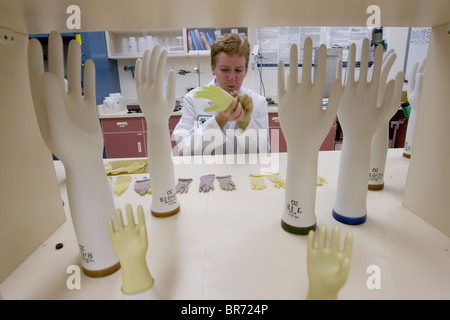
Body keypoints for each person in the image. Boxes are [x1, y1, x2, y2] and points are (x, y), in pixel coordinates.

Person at [173, 33, 269, 156]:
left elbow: (264, 152)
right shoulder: (193, 99)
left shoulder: (257, 102)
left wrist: (246, 123)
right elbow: (183, 150)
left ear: (245, 70)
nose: (232, 78)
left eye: (239, 70)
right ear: (213, 68)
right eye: (224, 69)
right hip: (206, 173)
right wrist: (219, 120)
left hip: (243, 173)